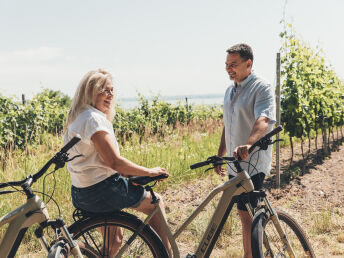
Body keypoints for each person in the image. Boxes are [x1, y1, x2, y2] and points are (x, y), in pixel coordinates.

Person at [63, 69, 172, 257]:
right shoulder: (93, 120)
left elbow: (98, 162)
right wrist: (149, 172)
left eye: (112, 90)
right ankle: (168, 255)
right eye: (104, 90)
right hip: (104, 190)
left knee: (114, 240)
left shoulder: (79, 118)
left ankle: (72, 248)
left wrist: (131, 174)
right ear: (89, 92)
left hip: (82, 192)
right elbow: (114, 162)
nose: (110, 95)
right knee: (156, 204)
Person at [215, 44, 275, 258]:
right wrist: (221, 154)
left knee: (248, 213)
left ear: (248, 64)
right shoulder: (230, 90)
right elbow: (228, 124)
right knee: (243, 215)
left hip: (253, 162)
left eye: (234, 64)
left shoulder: (261, 87)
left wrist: (249, 145)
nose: (229, 69)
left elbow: (264, 119)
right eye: (226, 65)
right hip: (235, 163)